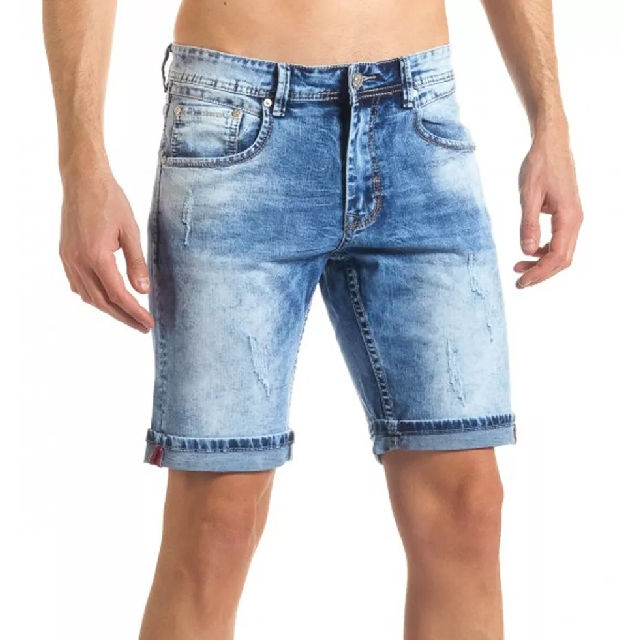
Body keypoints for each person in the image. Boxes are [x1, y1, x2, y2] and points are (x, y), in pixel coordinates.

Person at [43, 0, 583, 638]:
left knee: (467, 504)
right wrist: (81, 168)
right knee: (219, 516)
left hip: (418, 121)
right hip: (236, 120)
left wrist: (551, 123)